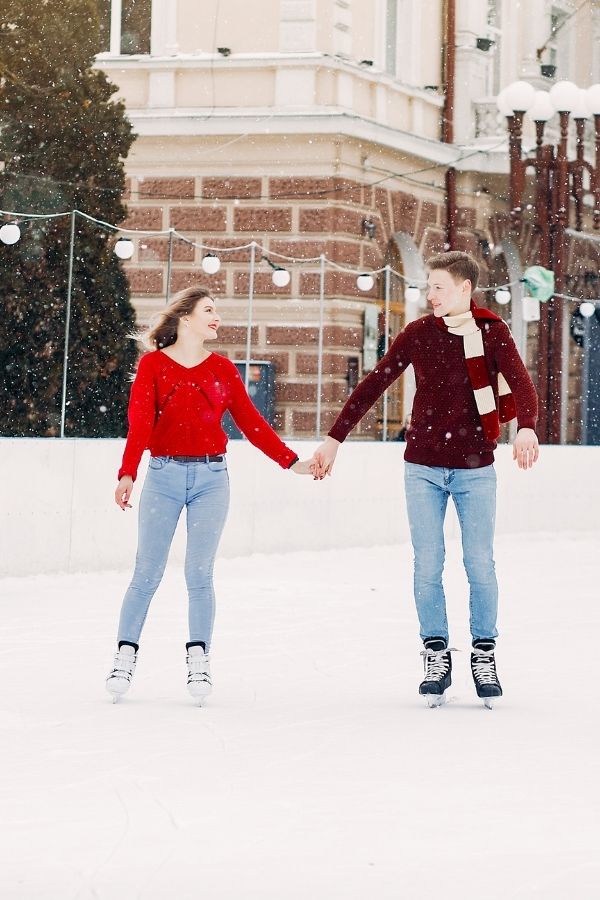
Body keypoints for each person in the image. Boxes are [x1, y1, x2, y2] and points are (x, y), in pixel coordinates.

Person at [312, 251, 539, 708]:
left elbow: (521, 382)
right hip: (422, 467)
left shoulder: (492, 333)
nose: (428, 294)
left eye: (437, 286)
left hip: (476, 469)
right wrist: (335, 438)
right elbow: (375, 382)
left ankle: (484, 651)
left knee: (479, 563)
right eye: (428, 286)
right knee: (427, 563)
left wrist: (527, 426)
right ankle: (436, 652)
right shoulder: (418, 334)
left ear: (463, 289)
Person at [106, 286, 316, 704]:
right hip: (163, 478)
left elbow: (252, 423)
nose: (217, 317)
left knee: (199, 575)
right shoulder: (153, 366)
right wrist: (128, 472)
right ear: (186, 319)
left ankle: (198, 660)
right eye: (209, 310)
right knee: (146, 573)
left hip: (211, 480)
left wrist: (291, 461)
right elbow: (139, 423)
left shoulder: (222, 369)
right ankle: (124, 657)